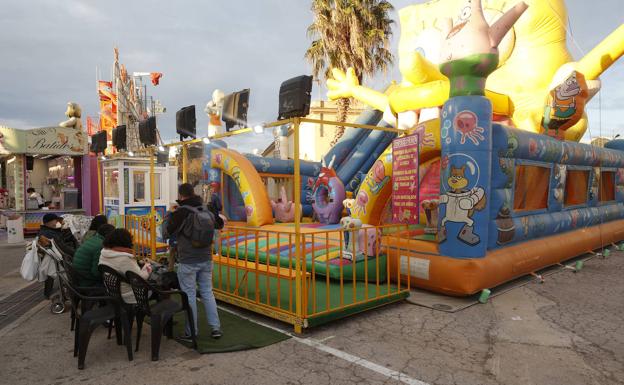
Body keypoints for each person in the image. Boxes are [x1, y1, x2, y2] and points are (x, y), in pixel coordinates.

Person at [166, 183, 222, 340]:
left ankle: (191, 332)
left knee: (189, 295)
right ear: (193, 193)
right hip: (206, 258)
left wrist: (171, 214)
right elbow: (220, 224)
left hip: (188, 260)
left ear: (181, 195)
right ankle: (215, 328)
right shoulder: (206, 208)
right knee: (207, 292)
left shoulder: (181, 211)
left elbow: (167, 232)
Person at [98, 228, 152, 303]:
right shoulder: (125, 258)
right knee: (159, 286)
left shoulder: (104, 254)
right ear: (126, 241)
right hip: (130, 295)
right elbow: (140, 278)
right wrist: (147, 266)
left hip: (113, 292)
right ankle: (158, 311)